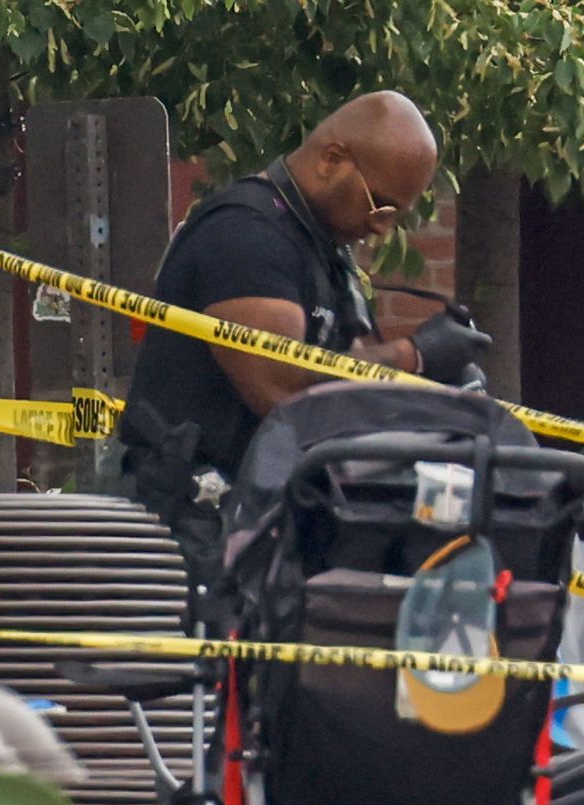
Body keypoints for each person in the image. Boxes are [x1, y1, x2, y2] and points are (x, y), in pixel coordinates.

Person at [117, 90, 491, 616]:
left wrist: (438, 384)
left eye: (396, 215)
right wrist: (414, 357)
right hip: (195, 521)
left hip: (269, 520)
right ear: (331, 160)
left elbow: (353, 373)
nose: (382, 227)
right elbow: (282, 389)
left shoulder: (325, 249)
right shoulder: (244, 235)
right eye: (381, 205)